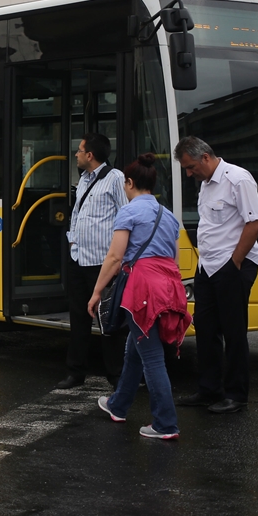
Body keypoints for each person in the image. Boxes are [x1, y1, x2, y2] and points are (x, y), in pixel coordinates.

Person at [88, 154, 191, 440]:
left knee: (152, 358)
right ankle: (118, 405)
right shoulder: (169, 216)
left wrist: (97, 292)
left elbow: (115, 257)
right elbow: (175, 259)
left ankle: (165, 424)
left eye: (125, 184)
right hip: (168, 287)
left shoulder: (129, 212)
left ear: (130, 183)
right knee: (136, 348)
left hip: (142, 289)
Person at [174, 136, 258, 415]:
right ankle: (209, 389)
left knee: (234, 331)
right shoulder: (205, 184)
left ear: (205, 157)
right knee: (206, 327)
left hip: (233, 265)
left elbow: (255, 221)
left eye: (190, 167)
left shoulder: (238, 179)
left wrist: (234, 262)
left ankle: (236, 394)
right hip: (208, 266)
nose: (189, 174)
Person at [58, 133, 127, 390]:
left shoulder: (115, 178)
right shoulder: (85, 179)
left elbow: (125, 216)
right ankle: (75, 372)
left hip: (102, 263)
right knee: (78, 319)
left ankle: (116, 376)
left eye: (79, 150)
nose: (76, 154)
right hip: (79, 260)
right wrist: (73, 242)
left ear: (90, 155)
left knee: (108, 321)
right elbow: (78, 214)